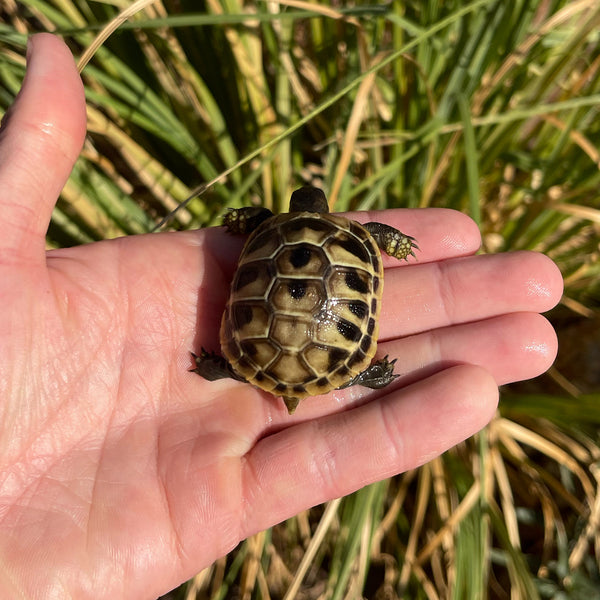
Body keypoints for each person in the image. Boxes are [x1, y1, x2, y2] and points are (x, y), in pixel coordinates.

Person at [0, 33, 563, 599]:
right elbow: (378, 242)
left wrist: (244, 220)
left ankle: (254, 368)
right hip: (318, 355)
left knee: (248, 350)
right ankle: (355, 372)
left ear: (294, 207)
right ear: (325, 208)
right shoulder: (356, 237)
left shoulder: (267, 229)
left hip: (258, 348)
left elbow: (242, 227)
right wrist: (391, 241)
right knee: (320, 350)